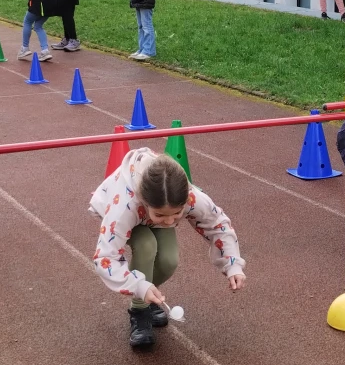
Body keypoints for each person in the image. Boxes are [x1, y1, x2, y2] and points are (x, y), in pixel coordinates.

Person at [88, 148, 246, 349]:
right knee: (146, 245)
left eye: (177, 213)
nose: (170, 221)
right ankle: (139, 310)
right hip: (124, 209)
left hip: (147, 215)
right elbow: (105, 259)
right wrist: (138, 287)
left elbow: (218, 224)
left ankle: (149, 295)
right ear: (145, 202)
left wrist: (232, 264)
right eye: (162, 215)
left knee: (169, 260)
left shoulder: (190, 198)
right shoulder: (124, 209)